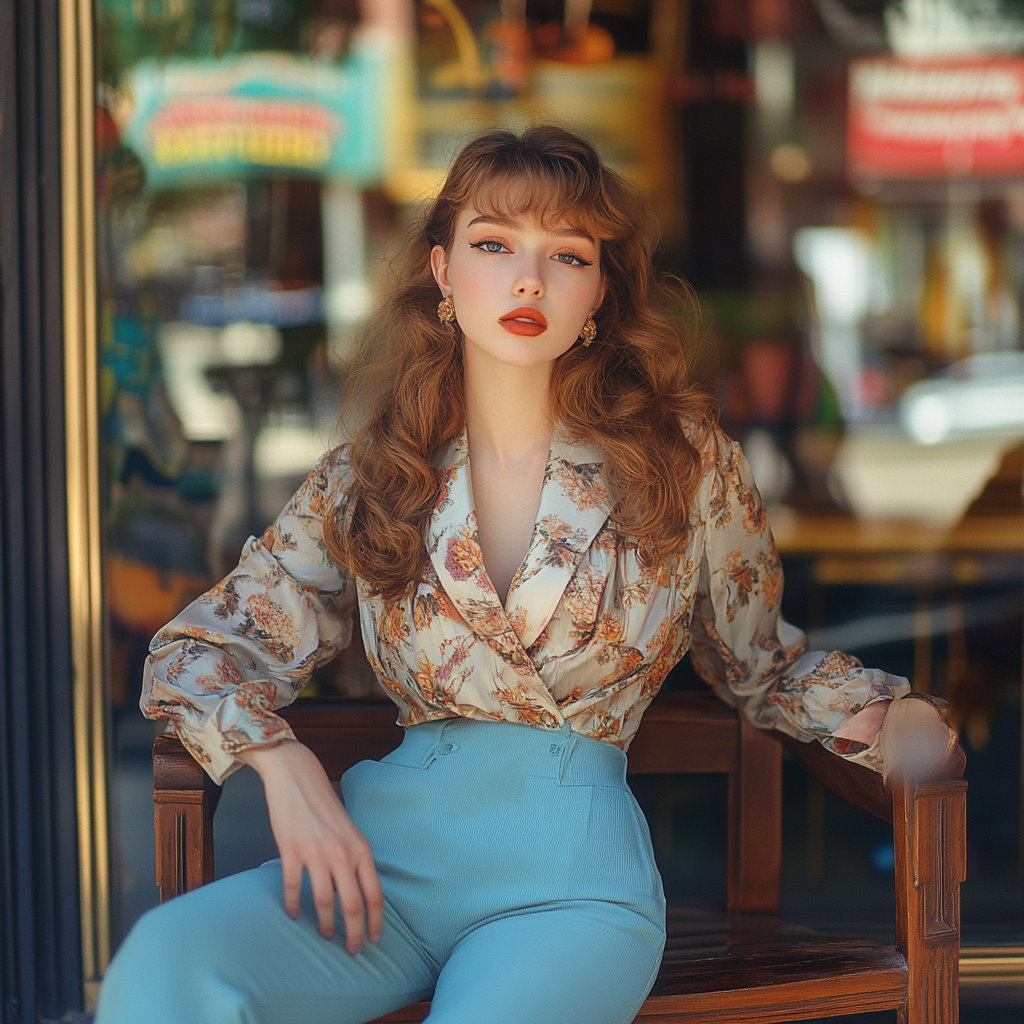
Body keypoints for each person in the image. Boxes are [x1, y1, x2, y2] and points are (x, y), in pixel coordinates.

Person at [96, 126, 957, 1024]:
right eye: (495, 244)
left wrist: (888, 716)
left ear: (598, 295)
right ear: (441, 271)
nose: (528, 280)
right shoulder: (370, 475)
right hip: (378, 866)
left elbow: (760, 663)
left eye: (567, 255)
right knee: (166, 964)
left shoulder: (683, 464)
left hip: (568, 886)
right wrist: (282, 765)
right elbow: (198, 649)